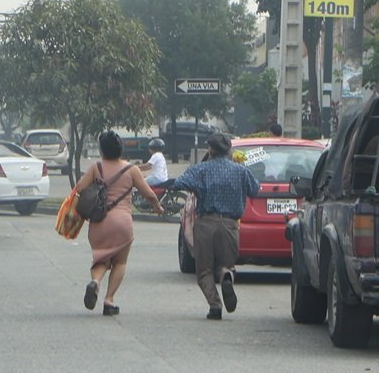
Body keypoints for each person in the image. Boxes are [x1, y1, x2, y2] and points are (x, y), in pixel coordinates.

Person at [75, 131, 164, 316]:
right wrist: (157, 207)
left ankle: (96, 282)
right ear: (121, 148)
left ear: (102, 150)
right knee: (120, 262)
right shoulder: (131, 169)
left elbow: (80, 189)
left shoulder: (95, 167)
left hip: (99, 222)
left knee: (101, 259)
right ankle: (109, 300)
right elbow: (148, 194)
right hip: (122, 222)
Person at [174, 133, 260, 320]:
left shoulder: (201, 170)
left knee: (204, 270)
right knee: (225, 264)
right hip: (230, 225)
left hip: (205, 223)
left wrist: (196, 187)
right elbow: (255, 189)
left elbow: (179, 182)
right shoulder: (241, 171)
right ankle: (226, 275)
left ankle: (215, 305)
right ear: (229, 150)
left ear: (211, 150)